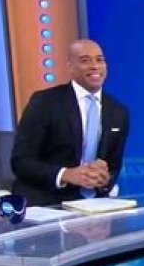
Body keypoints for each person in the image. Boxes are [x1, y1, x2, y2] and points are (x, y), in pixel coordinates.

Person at [11, 39, 130, 206]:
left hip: (94, 205)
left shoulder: (118, 112)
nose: (95, 66)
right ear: (70, 67)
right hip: (47, 201)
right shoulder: (45, 102)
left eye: (100, 60)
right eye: (85, 60)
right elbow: (21, 162)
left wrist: (105, 179)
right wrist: (65, 174)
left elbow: (114, 167)